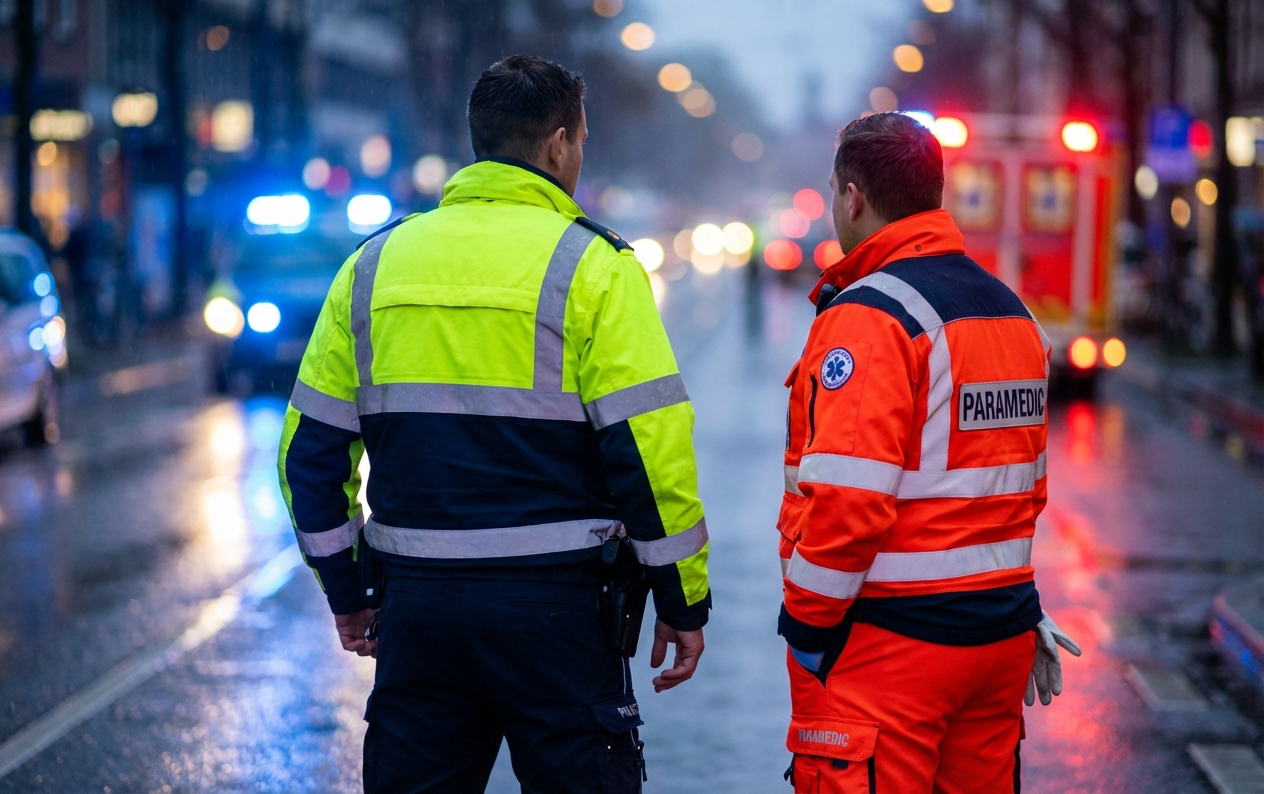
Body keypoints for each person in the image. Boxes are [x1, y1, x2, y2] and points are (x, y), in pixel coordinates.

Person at [278, 55, 710, 793]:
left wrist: (348, 591)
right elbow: (648, 450)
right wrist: (681, 597)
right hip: (559, 613)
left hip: (418, 611)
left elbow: (308, 454)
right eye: (582, 139)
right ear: (558, 144)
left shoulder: (374, 265)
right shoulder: (594, 266)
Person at [776, 112, 1081, 793]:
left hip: (891, 644)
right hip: (998, 636)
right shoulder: (1012, 314)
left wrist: (807, 627)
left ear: (852, 197)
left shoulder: (871, 317)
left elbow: (849, 502)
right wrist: (1018, 603)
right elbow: (1023, 489)